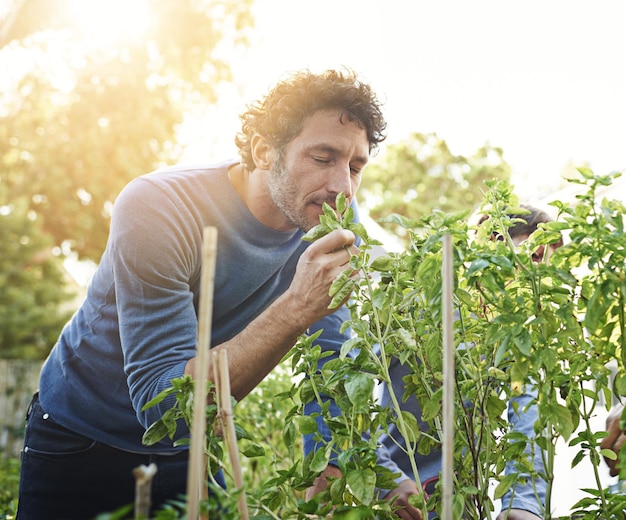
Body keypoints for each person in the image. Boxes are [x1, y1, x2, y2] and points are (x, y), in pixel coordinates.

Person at [16, 67, 387, 520]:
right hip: (81, 438)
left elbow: (334, 367)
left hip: (197, 444)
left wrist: (326, 479)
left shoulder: (332, 221)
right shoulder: (159, 207)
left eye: (355, 167)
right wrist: (294, 309)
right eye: (323, 157)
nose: (343, 187)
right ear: (264, 150)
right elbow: (166, 408)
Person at [305, 205, 562, 520]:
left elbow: (526, 417)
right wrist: (387, 480)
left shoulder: (518, 332)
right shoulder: (418, 306)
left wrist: (522, 503)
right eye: (534, 256)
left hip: (465, 499)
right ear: (492, 243)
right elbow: (347, 393)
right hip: (398, 498)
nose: (542, 270)